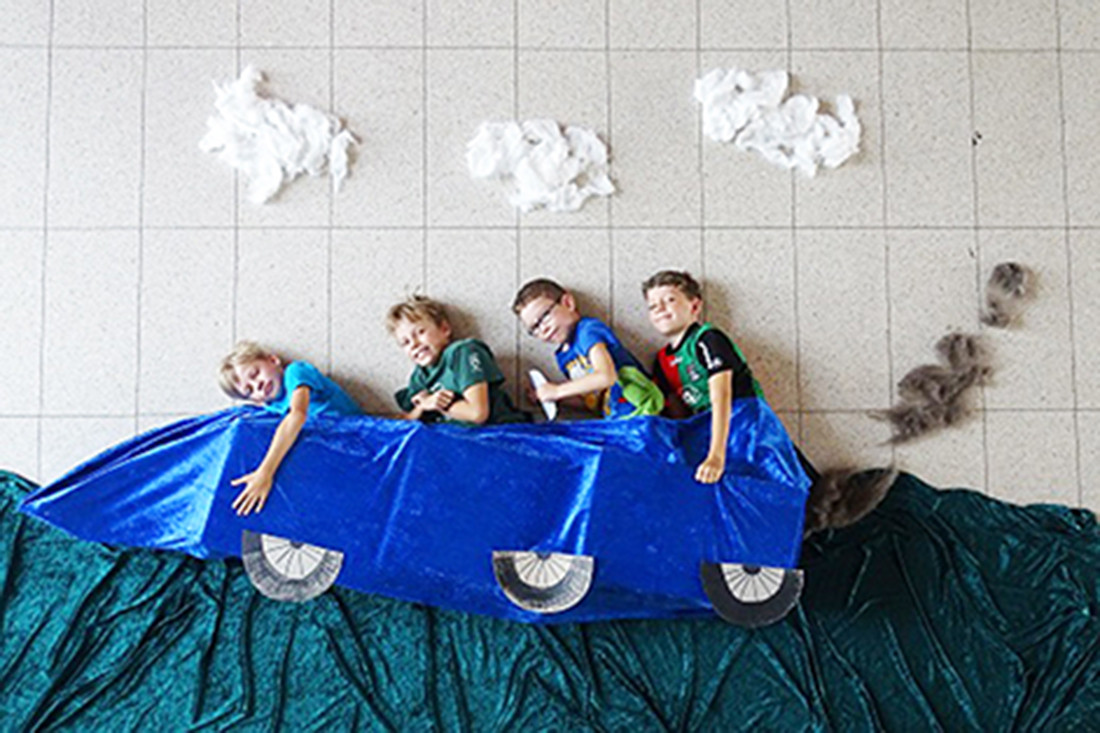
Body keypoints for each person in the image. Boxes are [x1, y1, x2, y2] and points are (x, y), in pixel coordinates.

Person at [642, 269, 814, 484]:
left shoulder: (707, 339)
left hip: (745, 426)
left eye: (669, 300)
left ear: (694, 306)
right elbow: (679, 416)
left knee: (789, 485)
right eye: (653, 306)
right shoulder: (661, 361)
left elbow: (721, 396)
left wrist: (716, 456)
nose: (660, 309)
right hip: (707, 430)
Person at [218, 341, 363, 516]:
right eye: (250, 391)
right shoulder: (271, 407)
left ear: (273, 360)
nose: (258, 386)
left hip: (355, 439)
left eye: (255, 374)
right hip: (327, 452)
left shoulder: (295, 372)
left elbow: (297, 415)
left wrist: (265, 472)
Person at [512, 278, 663, 419]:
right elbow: (591, 401)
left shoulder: (587, 331)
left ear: (568, 303)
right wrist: (555, 398)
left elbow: (606, 377)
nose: (543, 329)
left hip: (643, 412)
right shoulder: (564, 357)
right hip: (615, 419)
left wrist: (557, 391)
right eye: (534, 328)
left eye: (545, 316)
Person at [387, 295, 529, 425]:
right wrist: (423, 405)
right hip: (456, 436)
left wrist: (438, 403)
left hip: (497, 431)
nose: (414, 344)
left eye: (420, 332)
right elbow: (410, 417)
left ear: (444, 329)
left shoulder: (462, 352)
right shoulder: (421, 374)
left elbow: (477, 414)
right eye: (405, 342)